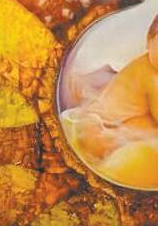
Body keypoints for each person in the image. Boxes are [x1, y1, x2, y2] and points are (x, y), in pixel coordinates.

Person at [60, 14, 158, 187]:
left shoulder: (146, 66)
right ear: (148, 41)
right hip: (102, 133)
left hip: (103, 128)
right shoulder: (151, 76)